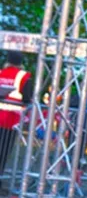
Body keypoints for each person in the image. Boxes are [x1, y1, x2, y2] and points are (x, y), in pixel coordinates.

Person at [0, 51, 33, 192]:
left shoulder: (1, 73)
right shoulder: (23, 76)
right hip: (10, 122)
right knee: (3, 154)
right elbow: (27, 98)